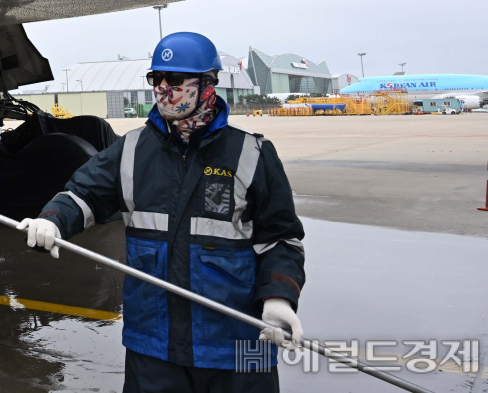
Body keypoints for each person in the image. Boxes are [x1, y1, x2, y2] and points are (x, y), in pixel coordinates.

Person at [18, 32, 306, 393]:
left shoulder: (251, 153)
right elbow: (84, 192)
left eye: (174, 79)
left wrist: (279, 297)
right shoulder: (133, 150)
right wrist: (53, 219)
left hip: (236, 342)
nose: (163, 88)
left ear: (206, 84)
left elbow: (281, 239)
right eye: (157, 79)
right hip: (153, 345)